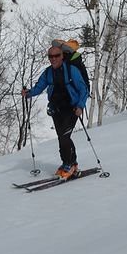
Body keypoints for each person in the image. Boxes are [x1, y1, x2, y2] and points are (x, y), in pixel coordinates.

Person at [20, 40, 91, 179]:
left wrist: (81, 106)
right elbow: (39, 87)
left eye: (56, 56)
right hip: (56, 109)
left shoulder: (72, 71)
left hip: (72, 109)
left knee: (64, 137)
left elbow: (84, 89)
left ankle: (68, 164)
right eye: (50, 57)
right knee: (62, 138)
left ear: (62, 56)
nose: (53, 59)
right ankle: (72, 163)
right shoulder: (48, 73)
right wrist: (28, 93)